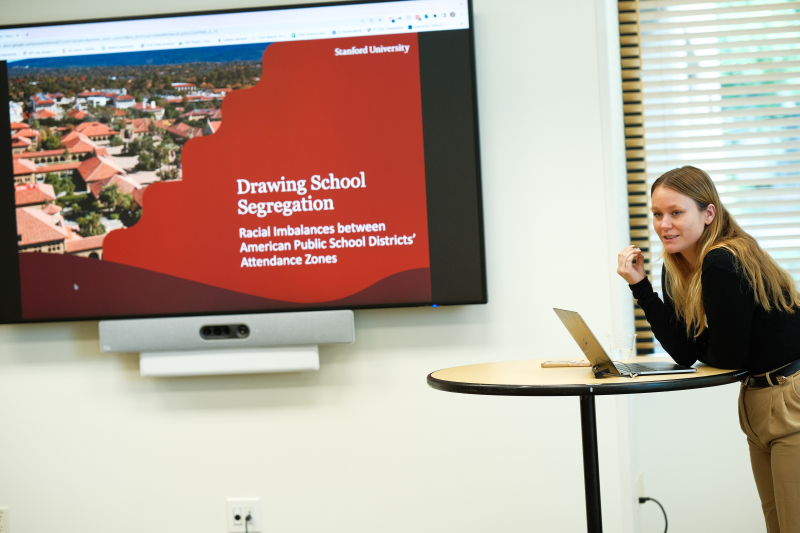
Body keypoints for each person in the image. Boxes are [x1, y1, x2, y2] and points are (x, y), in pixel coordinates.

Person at [616, 165, 800, 533]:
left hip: (790, 396)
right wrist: (641, 288)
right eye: (657, 214)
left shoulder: (724, 260)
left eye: (676, 212)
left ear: (708, 213)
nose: (663, 224)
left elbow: (728, 355)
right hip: (757, 399)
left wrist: (703, 343)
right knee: (777, 526)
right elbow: (686, 353)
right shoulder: (679, 267)